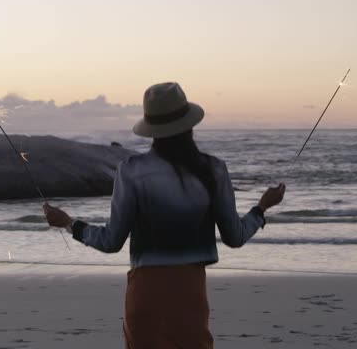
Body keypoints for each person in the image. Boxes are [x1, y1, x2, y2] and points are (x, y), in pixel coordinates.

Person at [44, 82, 286, 348]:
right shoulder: (213, 169)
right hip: (190, 294)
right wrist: (261, 208)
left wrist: (69, 224)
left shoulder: (131, 170)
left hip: (145, 293)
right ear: (189, 124)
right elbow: (235, 237)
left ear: (152, 130)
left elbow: (111, 241)